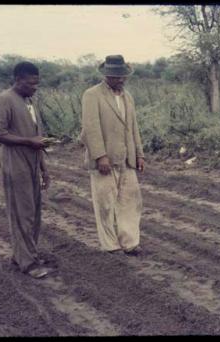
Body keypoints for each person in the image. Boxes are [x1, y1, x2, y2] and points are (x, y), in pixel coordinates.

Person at [0, 61, 54, 278]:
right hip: (15, 163)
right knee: (21, 213)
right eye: (30, 83)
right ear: (18, 80)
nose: (35, 87)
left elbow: (38, 140)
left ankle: (26, 256)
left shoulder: (30, 101)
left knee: (34, 214)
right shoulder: (5, 99)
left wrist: (44, 170)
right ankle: (28, 263)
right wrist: (28, 141)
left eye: (37, 84)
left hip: (33, 162)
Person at [80, 55, 145, 255]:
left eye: (123, 76)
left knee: (130, 201)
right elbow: (91, 128)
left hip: (127, 158)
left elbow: (133, 127)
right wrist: (100, 156)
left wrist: (139, 154)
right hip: (105, 160)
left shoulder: (128, 97)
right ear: (106, 75)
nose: (121, 80)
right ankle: (110, 245)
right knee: (105, 205)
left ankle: (130, 242)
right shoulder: (92, 95)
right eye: (116, 77)